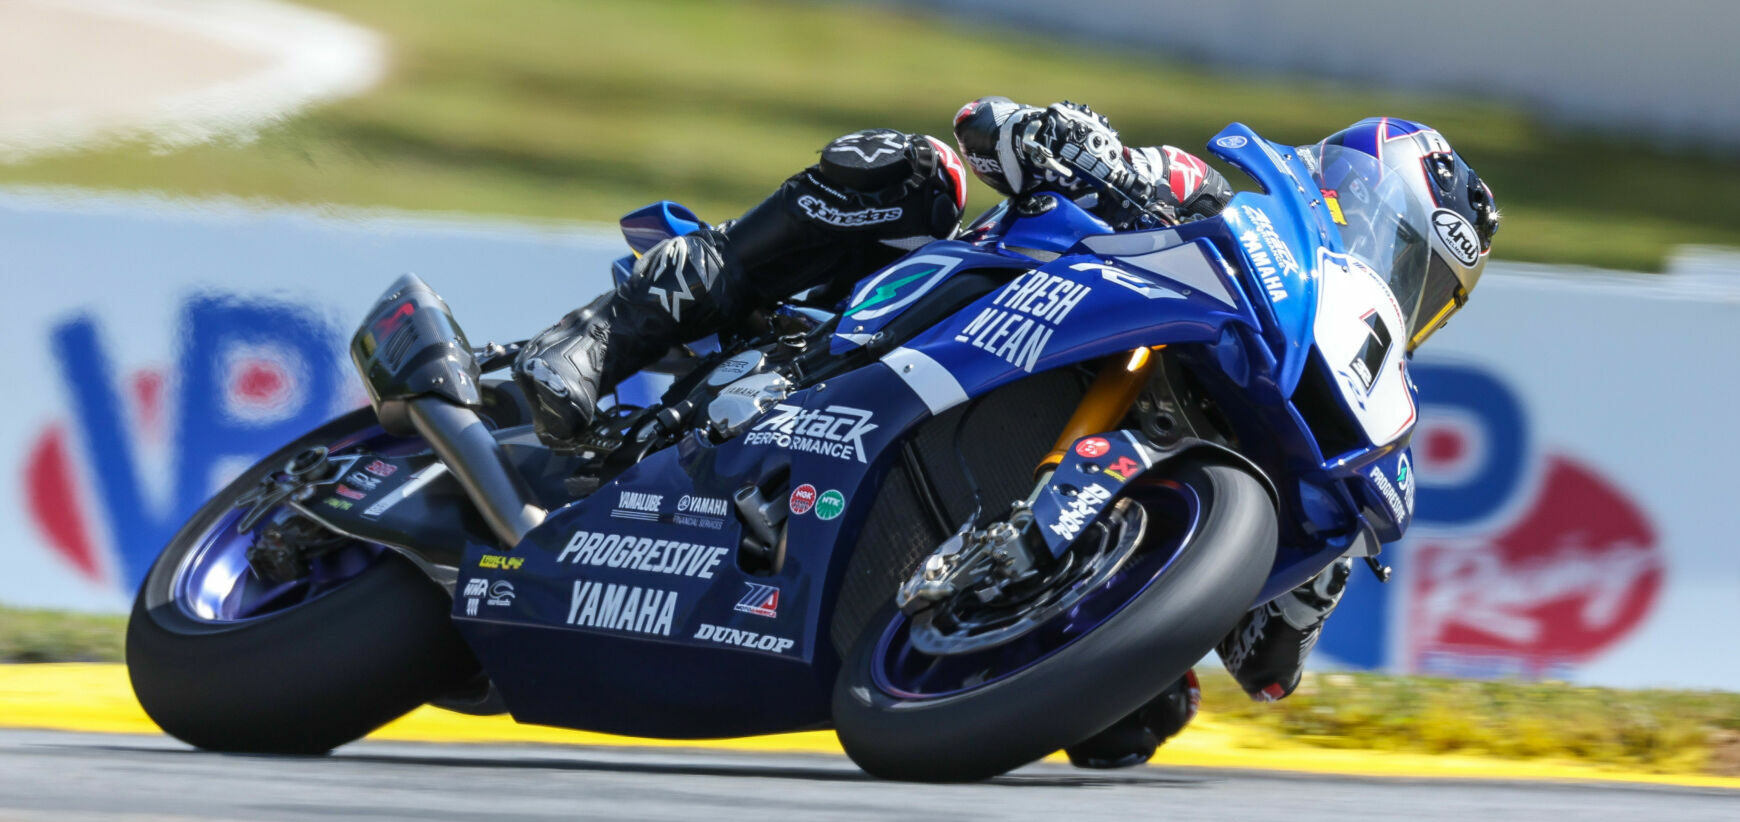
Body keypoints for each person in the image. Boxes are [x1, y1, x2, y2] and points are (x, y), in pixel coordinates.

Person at [512, 102, 1499, 768]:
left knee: (1142, 723)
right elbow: (991, 128)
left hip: (1018, 530)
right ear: (1333, 187)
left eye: (1426, 288)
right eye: (1394, 241)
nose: (1398, 284)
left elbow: (1266, 663)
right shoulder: (1207, 197)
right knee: (911, 173)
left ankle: (972, 620)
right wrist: (1061, 140)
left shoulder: (1347, 407)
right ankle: (605, 333)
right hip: (921, 319)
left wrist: (1262, 597)